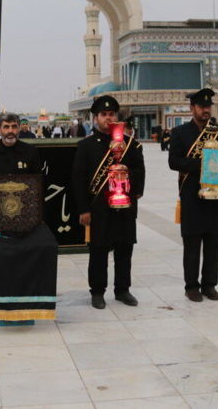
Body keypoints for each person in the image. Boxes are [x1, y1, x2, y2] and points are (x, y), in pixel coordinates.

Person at [0, 113, 57, 321]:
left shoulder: (30, 152)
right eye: (6, 127)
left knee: (37, 251)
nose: (10, 131)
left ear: (20, 128)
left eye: (14, 127)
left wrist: (38, 215)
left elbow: (39, 187)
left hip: (26, 222)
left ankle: (29, 304)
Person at [71, 95, 145, 309]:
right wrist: (84, 209)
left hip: (125, 205)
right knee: (99, 250)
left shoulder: (129, 144)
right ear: (96, 118)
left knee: (125, 248)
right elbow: (79, 178)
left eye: (111, 114)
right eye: (103, 114)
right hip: (98, 207)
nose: (107, 118)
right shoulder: (86, 145)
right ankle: (97, 291)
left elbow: (139, 168)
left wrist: (134, 188)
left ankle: (123, 290)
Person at [169, 89, 218, 302]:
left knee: (214, 243)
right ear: (191, 108)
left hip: (217, 198)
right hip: (191, 197)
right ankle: (192, 286)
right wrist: (205, 164)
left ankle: (209, 284)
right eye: (201, 107)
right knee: (192, 244)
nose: (205, 110)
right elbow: (174, 161)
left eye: (208, 107)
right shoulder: (179, 133)